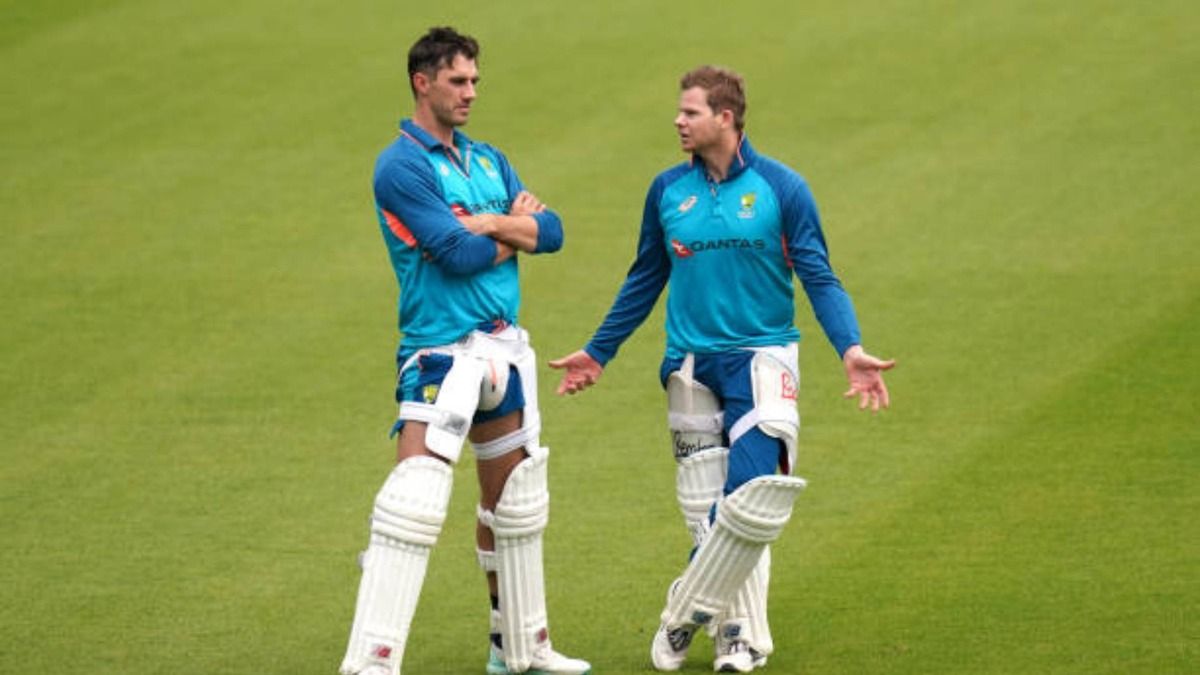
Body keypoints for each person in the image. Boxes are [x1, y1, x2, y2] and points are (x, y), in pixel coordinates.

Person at [549, 65, 895, 672]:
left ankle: (682, 610)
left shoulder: (782, 189)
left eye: (690, 112)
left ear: (725, 118)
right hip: (688, 365)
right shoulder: (666, 191)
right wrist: (598, 351)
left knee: (751, 499)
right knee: (703, 513)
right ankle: (737, 638)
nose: (678, 121)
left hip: (761, 359)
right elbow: (646, 276)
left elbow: (817, 273)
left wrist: (850, 349)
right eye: (680, 112)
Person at [338, 27, 590, 675]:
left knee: (513, 508)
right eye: (458, 80)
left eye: (475, 80)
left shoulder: (487, 159)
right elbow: (455, 254)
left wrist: (494, 224)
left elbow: (555, 231)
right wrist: (513, 230)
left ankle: (518, 648)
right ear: (423, 83)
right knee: (413, 504)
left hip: (503, 351)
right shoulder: (402, 166)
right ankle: (371, 660)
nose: (470, 91)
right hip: (439, 351)